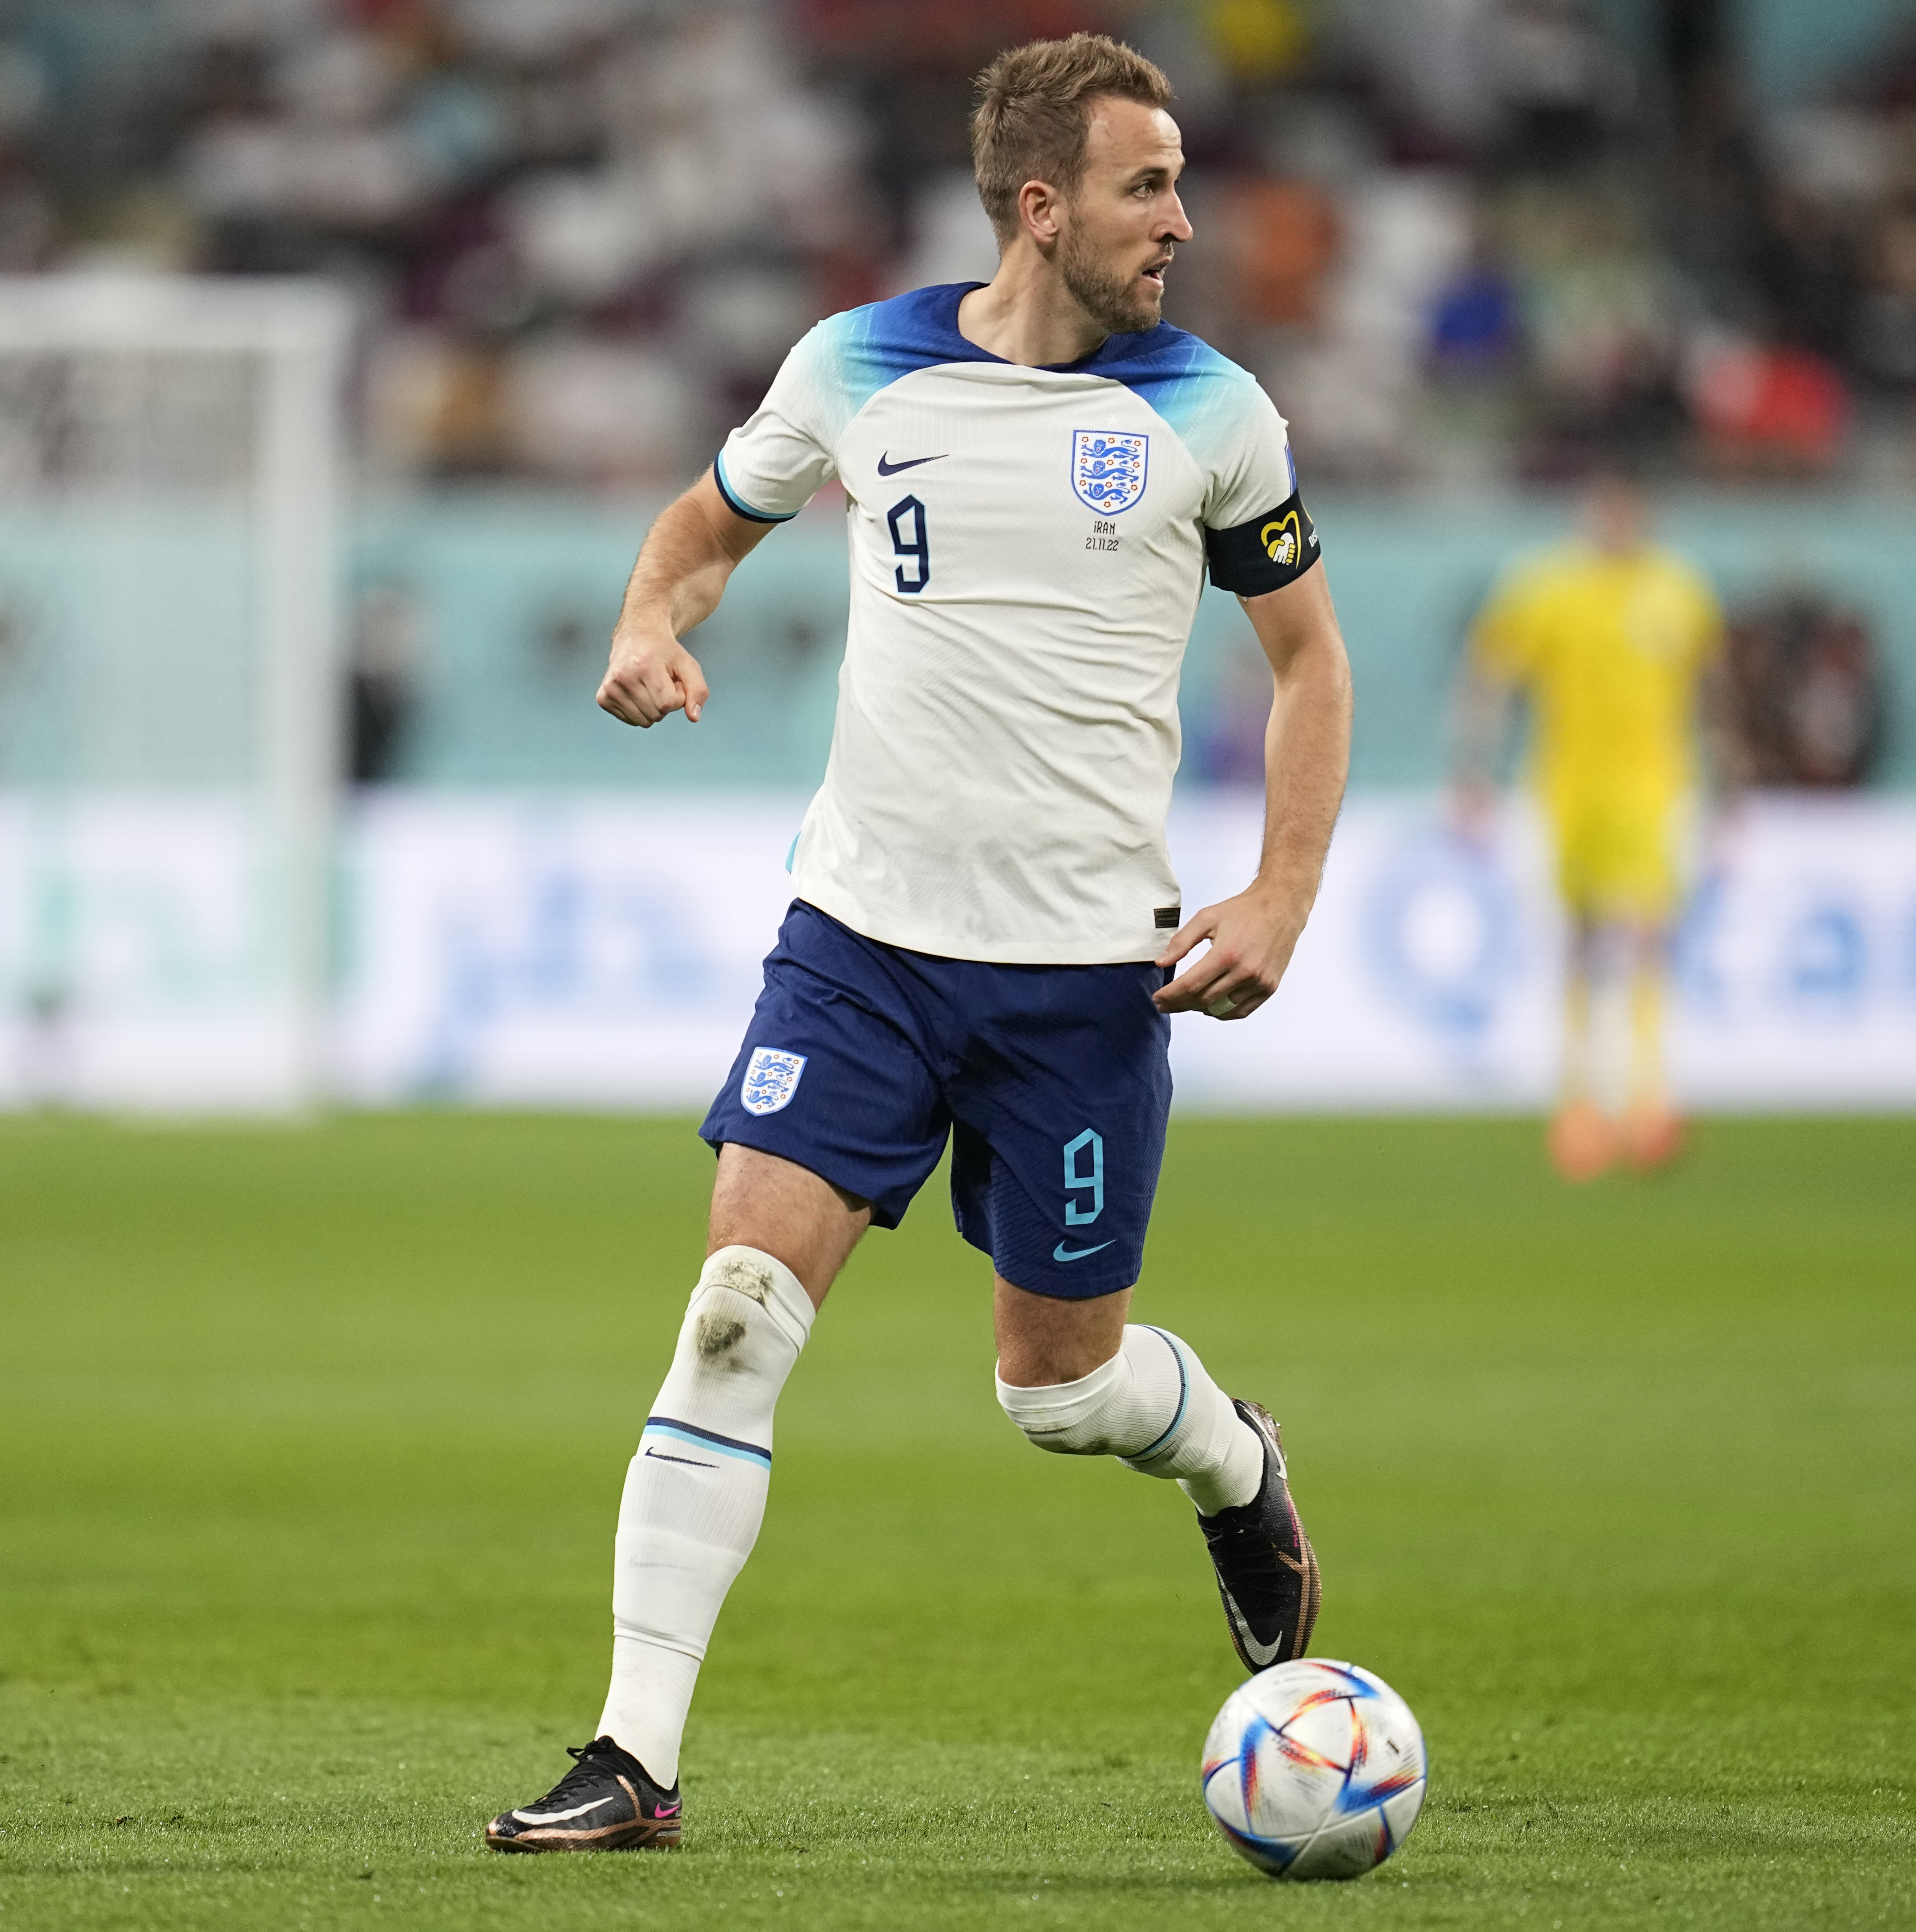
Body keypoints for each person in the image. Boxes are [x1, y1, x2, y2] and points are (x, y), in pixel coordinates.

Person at [482, 33, 1354, 1853]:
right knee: (733, 1311)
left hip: (1080, 983)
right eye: (1147, 186)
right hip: (861, 941)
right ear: (1041, 209)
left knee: (1055, 1390)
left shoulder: (1213, 415)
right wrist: (652, 616)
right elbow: (706, 527)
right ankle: (634, 1755)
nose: (1182, 222)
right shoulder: (856, 365)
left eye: (1179, 184)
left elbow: (1305, 666)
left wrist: (1277, 894)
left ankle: (1232, 1461)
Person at [1456, 477, 1724, 1180]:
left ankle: (1647, 1098)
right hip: (1567, 790)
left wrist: (1729, 774)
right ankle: (1580, 1100)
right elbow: (1490, 675)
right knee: (1577, 939)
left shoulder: (1678, 589)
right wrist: (1474, 768)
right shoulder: (1546, 587)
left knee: (1644, 935)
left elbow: (1711, 687)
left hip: (1654, 790)